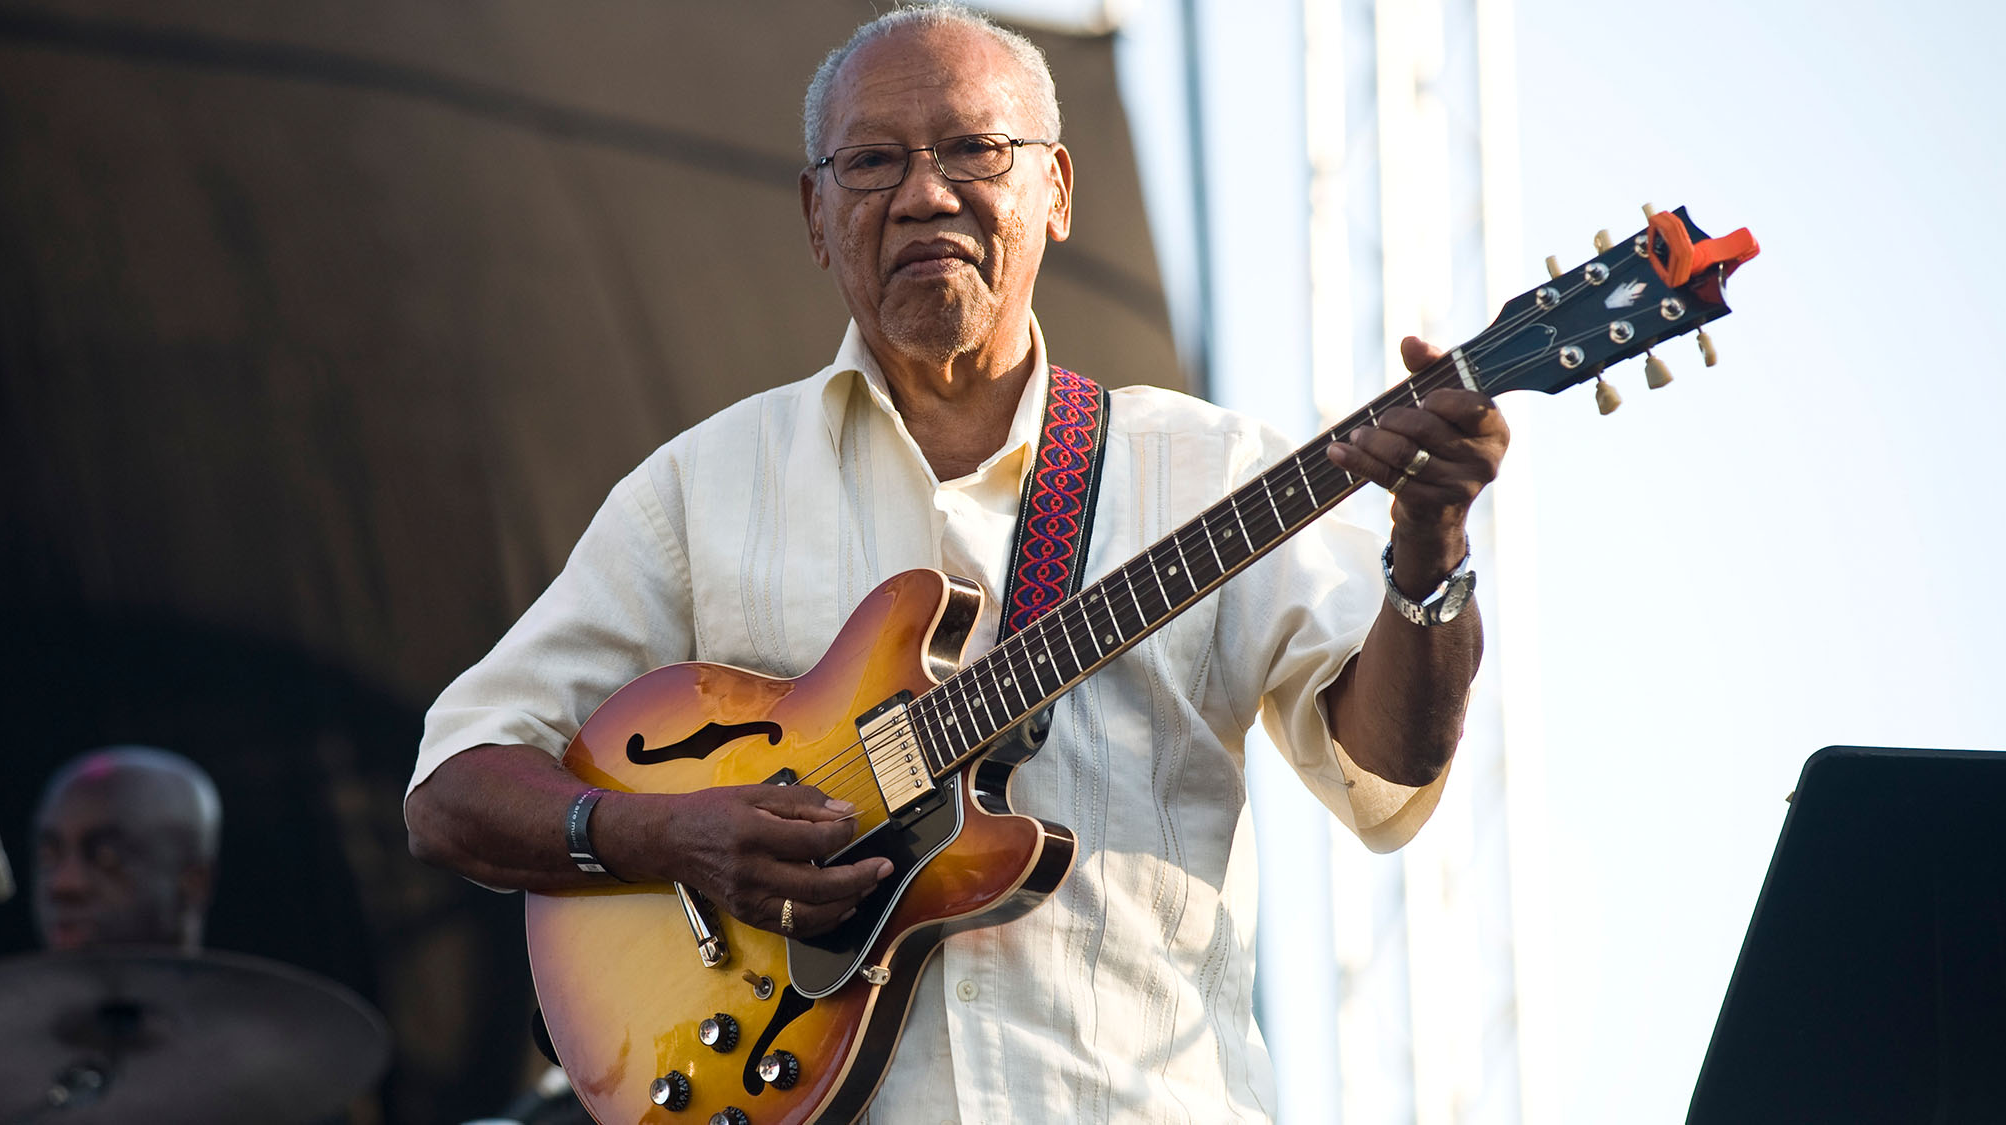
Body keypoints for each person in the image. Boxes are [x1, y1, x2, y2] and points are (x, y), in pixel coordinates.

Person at [405, 3, 1509, 1120]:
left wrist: (1428, 556)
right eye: (874, 161)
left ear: (1058, 192)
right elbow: (451, 793)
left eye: (975, 151)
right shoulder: (699, 489)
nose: (925, 193)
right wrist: (667, 833)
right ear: (817, 215)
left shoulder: (1211, 470)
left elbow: (1389, 773)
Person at [32, 745, 222, 953]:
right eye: (48, 856)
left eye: (107, 857)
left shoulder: (257, 986)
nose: (62, 885)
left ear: (195, 881)